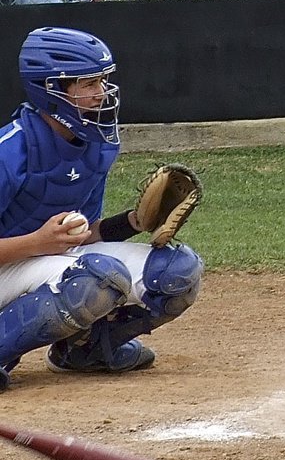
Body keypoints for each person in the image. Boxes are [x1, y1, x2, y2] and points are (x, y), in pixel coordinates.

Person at [0, 27, 203, 392]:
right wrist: (37, 242)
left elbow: (82, 236)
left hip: (36, 262)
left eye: (104, 81)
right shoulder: (9, 151)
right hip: (5, 268)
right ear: (52, 91)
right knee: (97, 277)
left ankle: (87, 350)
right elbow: (52, 246)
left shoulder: (97, 144)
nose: (102, 94)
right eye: (88, 84)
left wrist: (133, 222)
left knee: (177, 272)